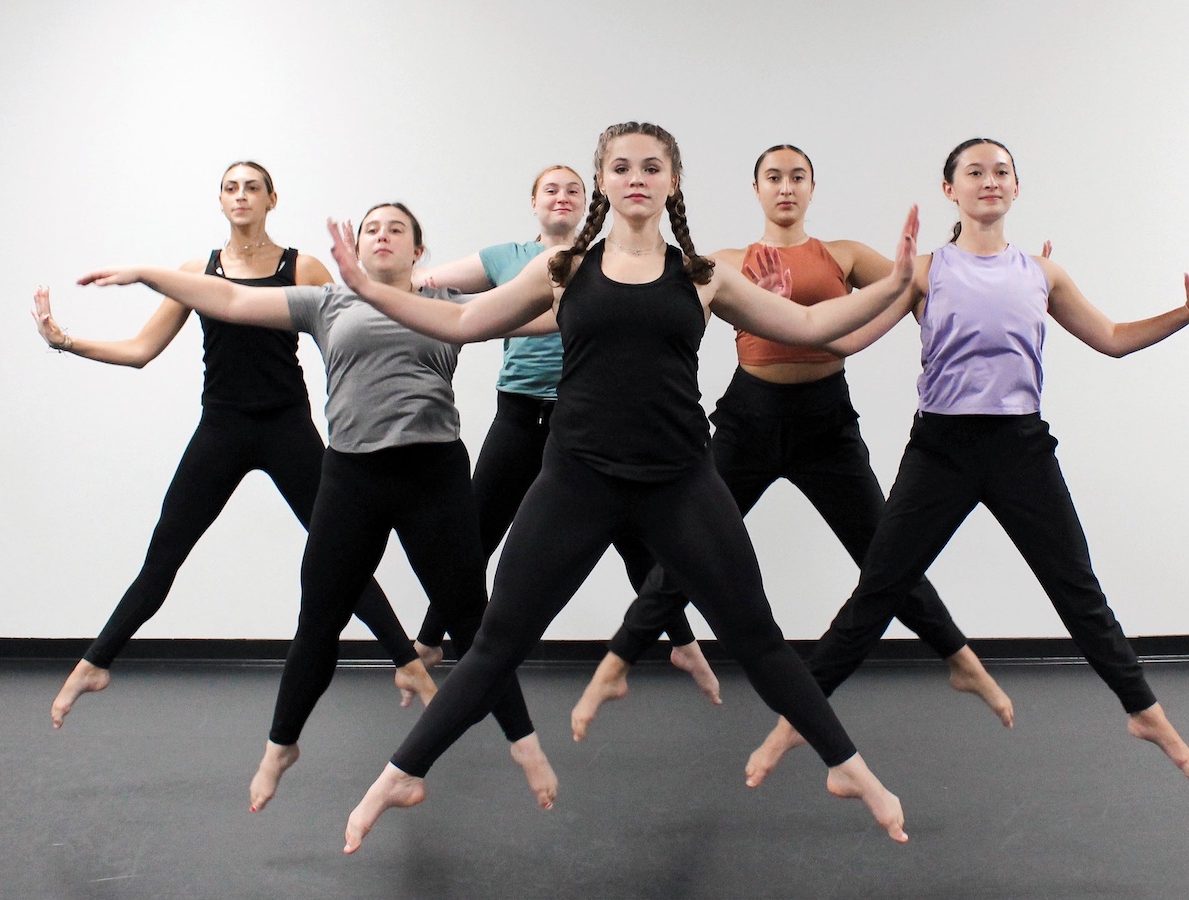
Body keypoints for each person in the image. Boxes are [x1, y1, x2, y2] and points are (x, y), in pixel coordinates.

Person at [327, 122, 925, 853]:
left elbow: (805, 323)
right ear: (603, 183)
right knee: (494, 644)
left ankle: (853, 770)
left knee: (759, 640)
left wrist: (895, 283)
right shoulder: (564, 268)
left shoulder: (704, 276)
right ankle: (399, 774)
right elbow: (464, 319)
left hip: (680, 483)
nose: (636, 176)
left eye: (651, 166)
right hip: (576, 482)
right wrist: (364, 287)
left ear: (672, 181)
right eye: (621, 166)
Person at [745, 138, 1189, 787]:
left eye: (1001, 172)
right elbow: (841, 337)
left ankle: (1143, 709)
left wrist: (1187, 311)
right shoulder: (924, 272)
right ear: (950, 191)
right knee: (878, 591)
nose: (989, 180)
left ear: (1016, 189)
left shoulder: (1043, 275)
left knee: (1077, 589)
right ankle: (793, 723)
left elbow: (1112, 340)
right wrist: (781, 305)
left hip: (1021, 448)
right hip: (941, 450)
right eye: (974, 171)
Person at [76, 202, 557, 814]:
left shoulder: (454, 307)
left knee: (473, 623)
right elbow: (228, 300)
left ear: (419, 253)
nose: (382, 237)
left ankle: (524, 742)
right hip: (351, 477)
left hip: (433, 476)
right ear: (355, 249)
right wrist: (149, 273)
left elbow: (556, 314)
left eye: (396, 230)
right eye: (371, 230)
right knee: (318, 623)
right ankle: (281, 744)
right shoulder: (326, 302)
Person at [571, 144, 1015, 742]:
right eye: (773, 178)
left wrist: (1006, 274)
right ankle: (621, 658)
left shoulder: (845, 255)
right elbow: (659, 327)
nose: (785, 187)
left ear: (812, 188)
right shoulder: (723, 261)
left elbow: (919, 292)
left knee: (884, 549)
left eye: (797, 177)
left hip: (825, 423)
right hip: (748, 420)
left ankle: (959, 659)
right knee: (689, 545)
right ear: (755, 189)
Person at [34, 162, 431, 730]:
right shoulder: (198, 271)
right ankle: (96, 662)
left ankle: (406, 663)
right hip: (221, 429)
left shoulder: (303, 267)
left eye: (252, 187)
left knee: (338, 554)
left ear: (273, 198)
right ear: (219, 200)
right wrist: (63, 341)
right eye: (231, 187)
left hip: (287, 428)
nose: (241, 196)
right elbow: (142, 349)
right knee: (163, 557)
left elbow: (354, 328)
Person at [408, 166, 718, 705]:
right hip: (520, 415)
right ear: (534, 202)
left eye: (572, 189)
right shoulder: (505, 258)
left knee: (636, 540)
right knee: (478, 528)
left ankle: (683, 641)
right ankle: (431, 641)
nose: (561, 196)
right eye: (550, 189)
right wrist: (380, 282)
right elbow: (430, 284)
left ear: (587, 201)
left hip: (586, 421)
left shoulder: (599, 266)